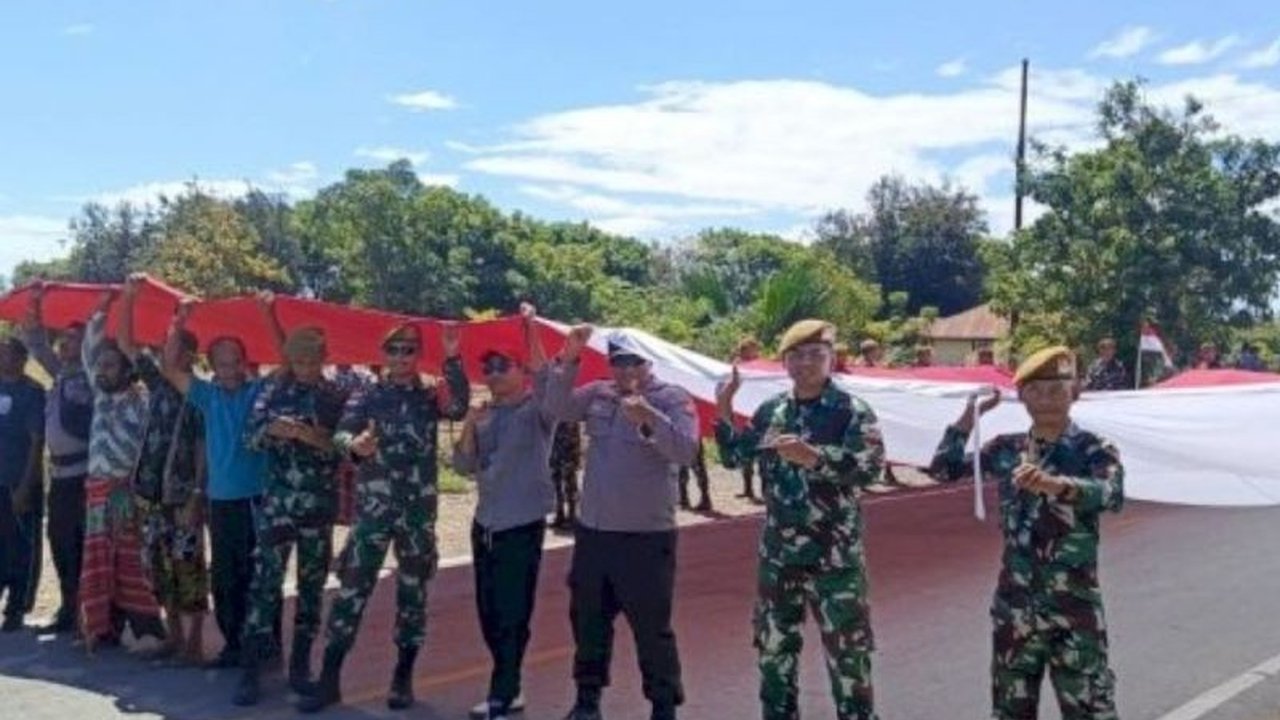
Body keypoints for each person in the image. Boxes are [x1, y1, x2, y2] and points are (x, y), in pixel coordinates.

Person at [929, 346, 1124, 719]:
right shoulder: (1007, 449)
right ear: (1021, 397)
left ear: (1075, 392)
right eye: (1036, 389)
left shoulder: (1095, 449)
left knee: (1090, 710)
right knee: (1010, 711)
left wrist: (1055, 485)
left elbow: (1110, 495)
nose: (1046, 397)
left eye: (1056, 387)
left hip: (1073, 611)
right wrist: (968, 419)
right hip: (1015, 609)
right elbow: (943, 469)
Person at [715, 319, 886, 720]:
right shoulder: (771, 412)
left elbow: (871, 468)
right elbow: (734, 456)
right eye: (797, 356)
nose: (806, 363)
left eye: (816, 355)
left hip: (835, 560)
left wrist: (815, 457)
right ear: (785, 363)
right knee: (774, 654)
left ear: (831, 360)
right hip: (779, 558)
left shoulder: (851, 412)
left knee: (848, 657)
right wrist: (724, 408)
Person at [296, 320, 468, 713]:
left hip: (416, 515)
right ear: (383, 355)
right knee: (350, 593)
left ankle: (402, 678)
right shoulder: (366, 395)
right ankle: (329, 680)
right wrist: (354, 445)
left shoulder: (428, 396)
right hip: (373, 513)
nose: (401, 357)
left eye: (409, 350)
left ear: (417, 356)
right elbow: (341, 436)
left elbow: (457, 406)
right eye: (394, 350)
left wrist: (453, 357)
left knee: (413, 595)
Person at [546, 327, 699, 720]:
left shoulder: (672, 398)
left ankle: (663, 706)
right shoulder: (599, 393)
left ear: (649, 361)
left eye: (634, 360)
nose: (626, 368)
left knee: (652, 627)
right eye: (618, 361)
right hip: (596, 534)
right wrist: (568, 360)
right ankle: (587, 700)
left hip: (646, 537)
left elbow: (686, 451)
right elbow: (558, 408)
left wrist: (649, 417)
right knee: (588, 621)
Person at [161, 297, 280, 671]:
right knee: (226, 577)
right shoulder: (206, 396)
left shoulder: (258, 393)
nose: (229, 370)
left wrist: (268, 314)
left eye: (235, 362)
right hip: (221, 501)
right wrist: (178, 322)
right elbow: (168, 366)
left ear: (244, 364)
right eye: (222, 364)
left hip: (256, 500)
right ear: (211, 366)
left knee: (259, 575)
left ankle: (266, 645)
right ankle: (233, 645)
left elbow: (286, 362)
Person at [452, 303, 557, 720]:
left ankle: (504, 691)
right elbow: (462, 466)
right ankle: (507, 685)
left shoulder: (538, 412)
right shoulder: (486, 414)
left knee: (513, 613)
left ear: (521, 372)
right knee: (489, 612)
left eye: (502, 365)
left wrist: (530, 328)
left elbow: (548, 377)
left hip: (521, 525)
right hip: (486, 526)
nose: (494, 373)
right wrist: (467, 425)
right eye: (489, 367)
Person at [235, 321, 347, 706]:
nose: (303, 368)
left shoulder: (335, 395)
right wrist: (274, 431)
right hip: (278, 504)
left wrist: (309, 435)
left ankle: (300, 667)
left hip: (317, 506)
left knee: (311, 590)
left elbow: (344, 448)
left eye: (309, 361)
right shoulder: (273, 390)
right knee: (265, 585)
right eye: (296, 361)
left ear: (323, 359)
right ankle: (250, 670)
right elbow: (249, 438)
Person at [118, 275, 209, 663]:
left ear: (189, 356)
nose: (169, 355)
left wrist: (197, 496)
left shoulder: (201, 394)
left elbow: (204, 448)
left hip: (182, 497)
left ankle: (194, 642)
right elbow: (125, 343)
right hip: (151, 496)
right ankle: (173, 637)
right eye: (166, 349)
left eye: (178, 350)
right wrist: (129, 298)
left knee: (189, 568)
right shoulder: (155, 384)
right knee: (159, 567)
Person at [79, 290, 166, 652]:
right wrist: (100, 310)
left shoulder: (142, 400)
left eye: (111, 365)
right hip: (96, 492)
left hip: (122, 493)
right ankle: (103, 628)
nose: (102, 370)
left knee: (131, 560)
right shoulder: (100, 395)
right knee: (100, 561)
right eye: (102, 365)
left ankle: (148, 631)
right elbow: (88, 350)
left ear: (127, 370)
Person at [23, 286, 93, 636]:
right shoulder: (61, 372)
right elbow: (35, 343)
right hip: (60, 475)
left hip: (83, 473)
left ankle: (84, 612)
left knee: (81, 545)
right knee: (61, 543)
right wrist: (34, 304)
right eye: (64, 340)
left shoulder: (92, 375)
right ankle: (68, 608)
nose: (66, 346)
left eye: (75, 340)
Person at [0, 336, 45, 632]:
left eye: (10, 354)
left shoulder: (31, 392)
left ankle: (17, 607)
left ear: (22, 358)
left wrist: (25, 486)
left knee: (22, 548)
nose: (5, 359)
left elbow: (36, 442)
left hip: (19, 482)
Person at [549, 421, 583, 529]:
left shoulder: (570, 415)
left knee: (569, 484)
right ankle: (560, 514)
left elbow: (573, 438)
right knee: (556, 481)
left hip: (568, 450)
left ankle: (572, 516)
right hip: (556, 448)